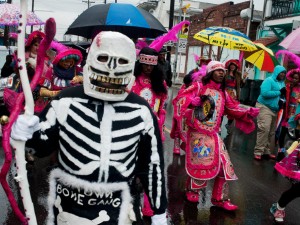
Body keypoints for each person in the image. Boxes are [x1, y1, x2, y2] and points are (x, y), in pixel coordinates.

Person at [11, 31, 167, 225]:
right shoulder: (65, 101)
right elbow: (40, 147)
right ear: (92, 60)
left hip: (120, 211)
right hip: (69, 209)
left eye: (121, 62)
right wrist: (25, 135)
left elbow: (152, 166)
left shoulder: (141, 110)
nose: (111, 69)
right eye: (104, 58)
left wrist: (159, 210)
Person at [182, 61, 259, 211]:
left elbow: (232, 107)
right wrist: (192, 102)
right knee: (201, 164)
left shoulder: (223, 93)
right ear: (210, 72)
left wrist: (247, 111)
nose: (221, 73)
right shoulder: (198, 87)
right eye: (218, 70)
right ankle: (192, 190)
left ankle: (219, 199)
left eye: (223, 71)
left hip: (214, 134)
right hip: (198, 133)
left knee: (224, 166)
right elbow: (181, 99)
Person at [131, 46, 168, 217]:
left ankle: (148, 206)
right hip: (131, 130)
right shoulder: (131, 80)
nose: (148, 68)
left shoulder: (161, 84)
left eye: (151, 65)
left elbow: (161, 108)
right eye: (145, 64)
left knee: (150, 169)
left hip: (151, 131)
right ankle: (130, 205)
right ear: (140, 63)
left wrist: (159, 126)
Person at [253, 65, 286, 160]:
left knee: (271, 132)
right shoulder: (268, 80)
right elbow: (264, 93)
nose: (283, 74)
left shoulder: (282, 83)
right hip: (264, 107)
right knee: (264, 129)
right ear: (276, 72)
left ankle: (266, 151)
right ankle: (258, 151)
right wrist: (279, 92)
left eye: (284, 73)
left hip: (275, 109)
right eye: (281, 72)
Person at [277, 68, 300, 161]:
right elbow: (280, 96)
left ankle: (295, 154)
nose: (295, 80)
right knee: (282, 133)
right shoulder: (287, 87)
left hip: (297, 113)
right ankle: (281, 151)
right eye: (294, 78)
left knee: (297, 135)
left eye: (297, 78)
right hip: (287, 113)